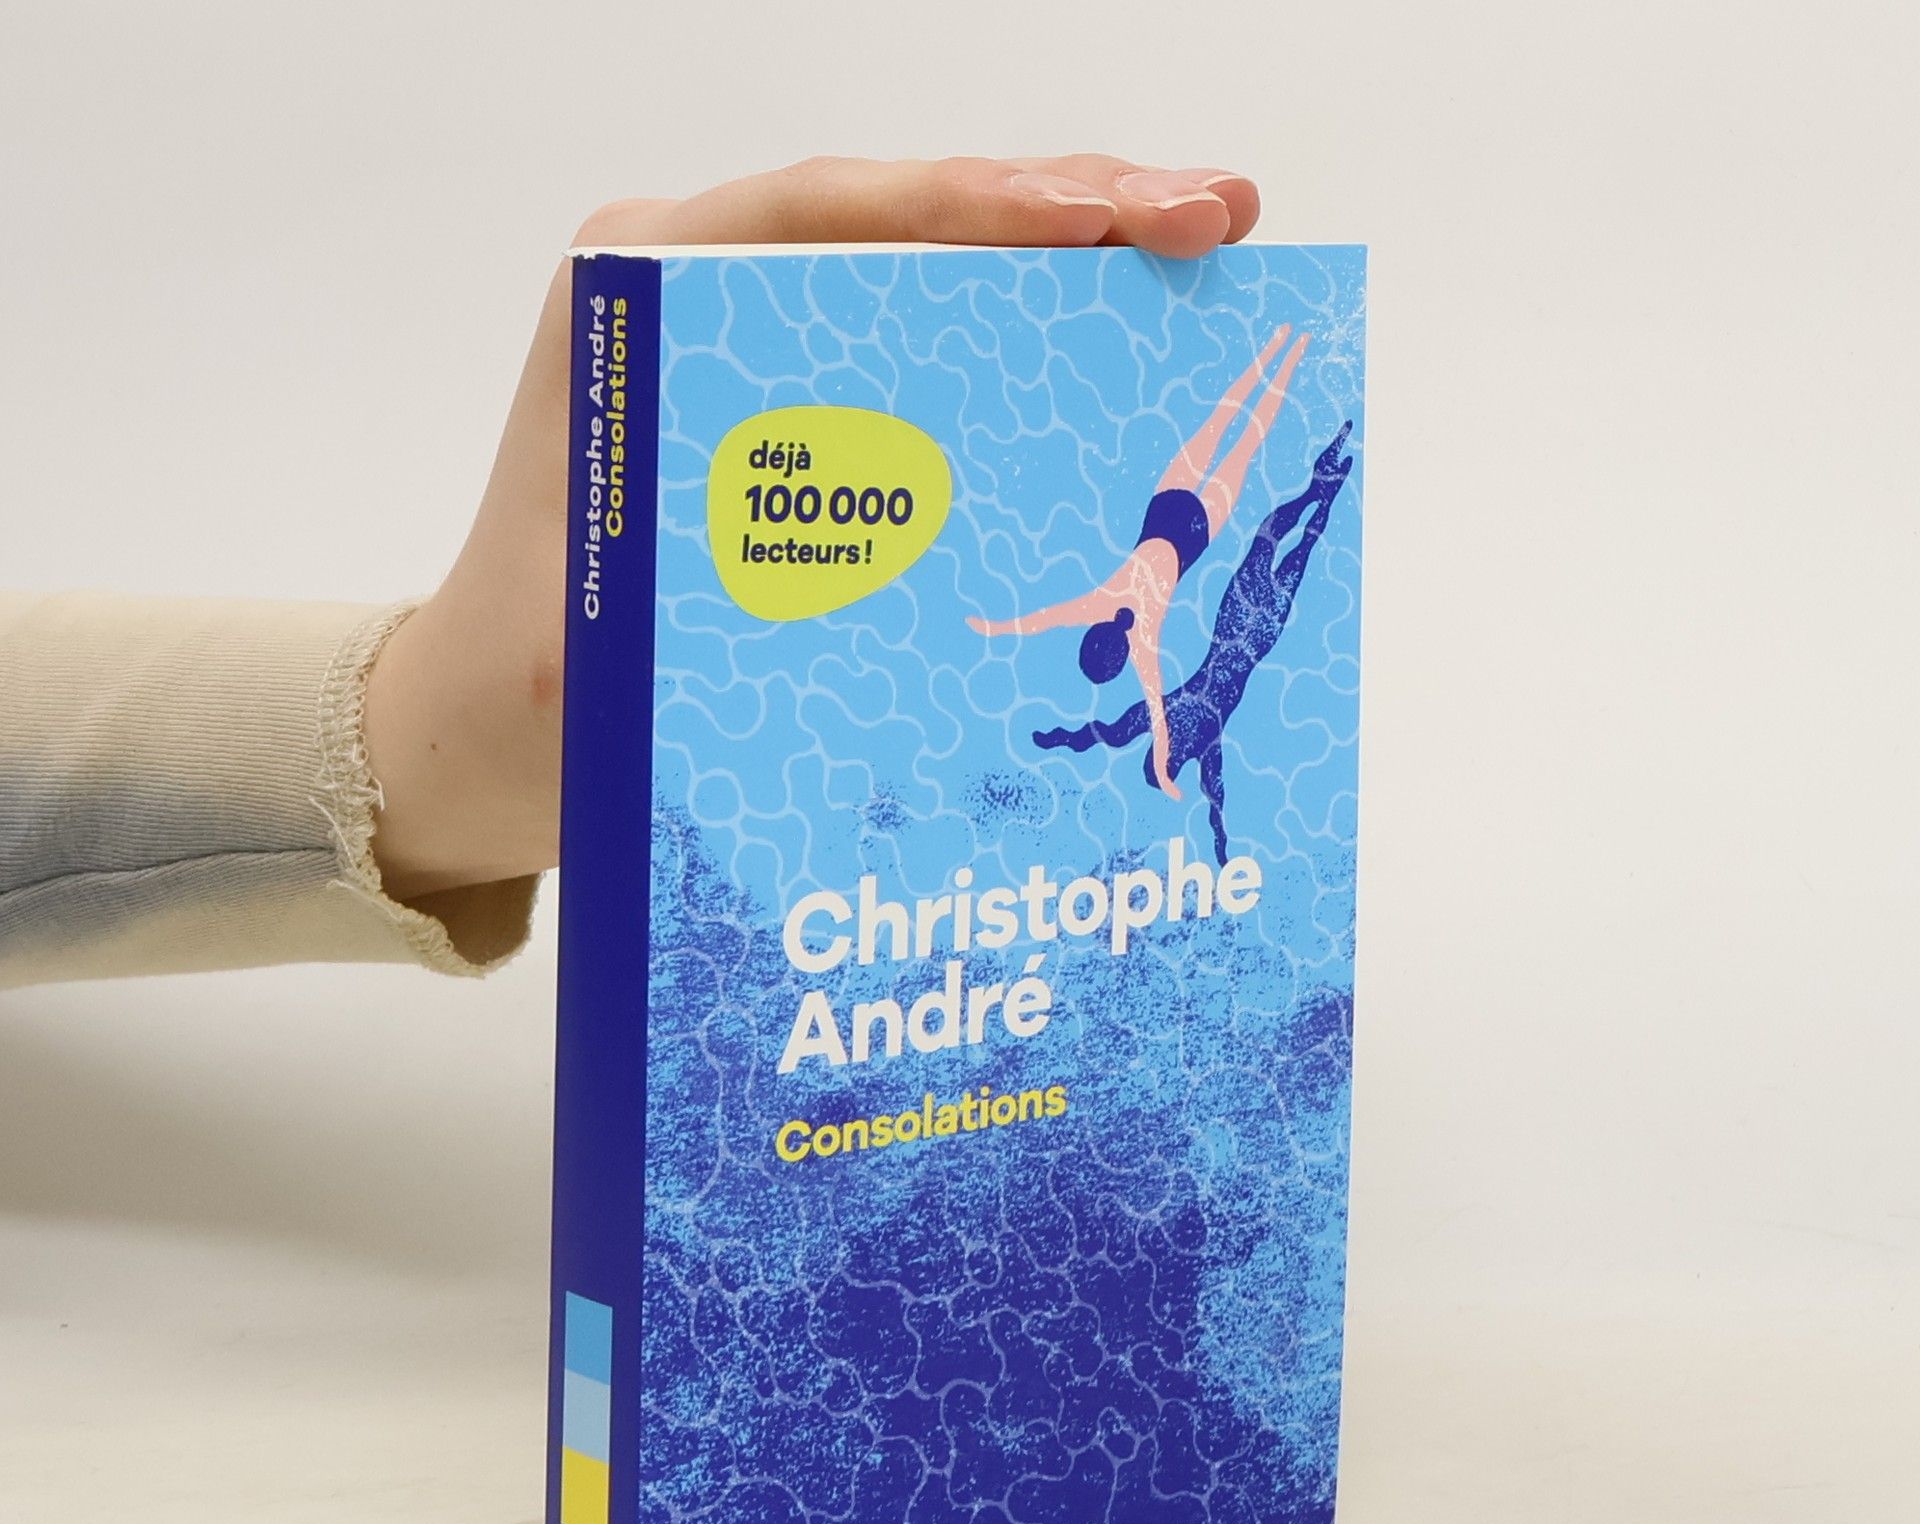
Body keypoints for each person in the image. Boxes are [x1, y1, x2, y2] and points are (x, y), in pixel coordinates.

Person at [0, 154, 1261, 991]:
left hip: (1174, 513)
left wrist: (427, 731)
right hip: (1185, 518)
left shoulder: (1116, 618)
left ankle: (1283, 361)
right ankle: (1284, 361)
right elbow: (1074, 652)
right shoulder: (1127, 630)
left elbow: (1046, 631)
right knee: (1238, 430)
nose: (1109, 645)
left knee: (1235, 425)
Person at [967, 323, 1309, 798]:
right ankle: (1276, 344)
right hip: (1166, 507)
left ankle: (1294, 353)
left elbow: (1159, 726)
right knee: (1225, 414)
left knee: (1247, 441)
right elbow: (1038, 620)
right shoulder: (1093, 604)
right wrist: (992, 628)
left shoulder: (1144, 645)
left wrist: (1166, 776)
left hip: (1197, 531)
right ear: (1091, 634)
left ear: (1121, 657)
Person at [1033, 422, 1354, 863]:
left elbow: (1099, 735)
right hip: (1250, 631)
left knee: (1281, 545)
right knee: (1283, 547)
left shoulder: (1177, 727)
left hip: (1245, 627)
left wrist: (1055, 740)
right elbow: (1213, 808)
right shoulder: (1201, 743)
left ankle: (1320, 491)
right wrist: (1223, 854)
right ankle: (1323, 492)